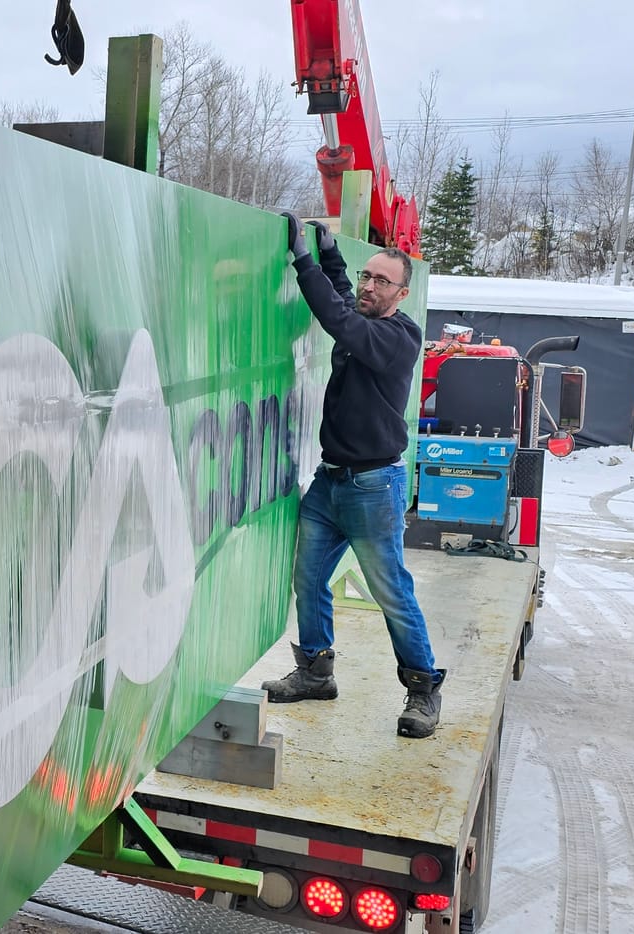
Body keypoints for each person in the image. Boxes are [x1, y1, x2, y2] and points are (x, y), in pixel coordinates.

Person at [260, 216, 446, 739]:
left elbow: (342, 322)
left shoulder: (398, 337)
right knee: (308, 577)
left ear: (402, 294)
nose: (369, 286)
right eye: (367, 275)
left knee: (391, 592)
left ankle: (423, 688)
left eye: (382, 281)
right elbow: (347, 303)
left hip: (373, 487)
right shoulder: (367, 315)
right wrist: (332, 259)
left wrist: (304, 263)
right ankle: (316, 672)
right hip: (331, 481)